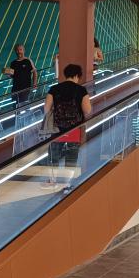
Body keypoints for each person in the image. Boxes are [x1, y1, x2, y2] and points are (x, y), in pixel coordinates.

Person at [43, 64, 91, 192]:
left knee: (53, 155)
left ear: (66, 74)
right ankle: (66, 185)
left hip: (57, 129)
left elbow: (46, 109)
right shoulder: (81, 90)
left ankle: (52, 181)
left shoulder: (54, 89)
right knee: (71, 157)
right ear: (77, 76)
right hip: (74, 129)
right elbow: (87, 110)